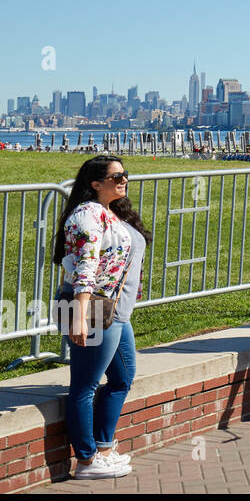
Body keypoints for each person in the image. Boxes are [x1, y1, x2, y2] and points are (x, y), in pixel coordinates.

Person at [56, 156, 150, 479]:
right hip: (88, 306)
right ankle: (85, 460)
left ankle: (103, 446)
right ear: (96, 183)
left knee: (123, 377)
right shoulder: (86, 216)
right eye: (117, 176)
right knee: (85, 384)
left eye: (126, 175)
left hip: (110, 309)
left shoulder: (107, 213)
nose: (124, 180)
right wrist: (79, 317)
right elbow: (85, 268)